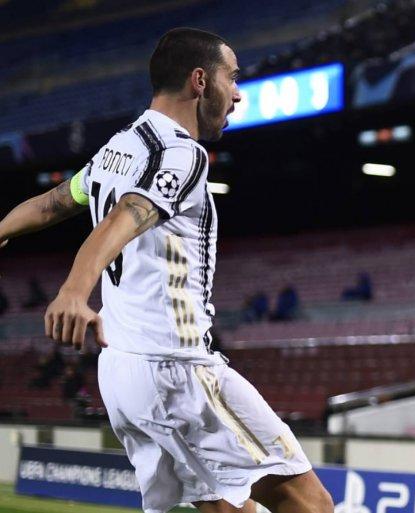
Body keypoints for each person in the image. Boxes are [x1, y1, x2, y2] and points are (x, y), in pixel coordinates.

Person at [0, 28, 332, 513]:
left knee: (226, 507)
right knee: (310, 503)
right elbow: (126, 215)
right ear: (200, 80)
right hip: (175, 369)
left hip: (121, 373)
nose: (237, 93)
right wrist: (73, 290)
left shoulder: (118, 149)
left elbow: (53, 203)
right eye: (232, 77)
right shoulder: (183, 153)